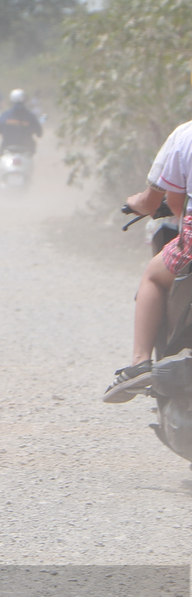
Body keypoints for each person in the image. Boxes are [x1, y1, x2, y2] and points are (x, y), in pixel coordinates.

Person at [104, 120, 192, 403]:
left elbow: (165, 203)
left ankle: (140, 363)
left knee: (153, 275)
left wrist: (135, 202)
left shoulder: (185, 135)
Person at [0, 89, 43, 155]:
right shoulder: (30, 116)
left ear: (11, 100)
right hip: (27, 149)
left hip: (7, 147)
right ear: (24, 100)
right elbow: (39, 133)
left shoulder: (6, 115)